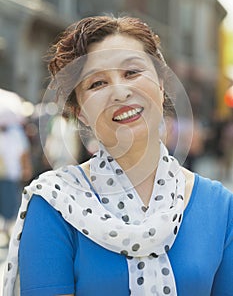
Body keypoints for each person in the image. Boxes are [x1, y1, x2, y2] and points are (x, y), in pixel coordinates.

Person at [3, 15, 233, 296]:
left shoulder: (219, 206)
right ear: (81, 113)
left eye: (132, 73)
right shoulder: (55, 205)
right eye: (97, 84)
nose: (120, 92)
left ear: (161, 85)